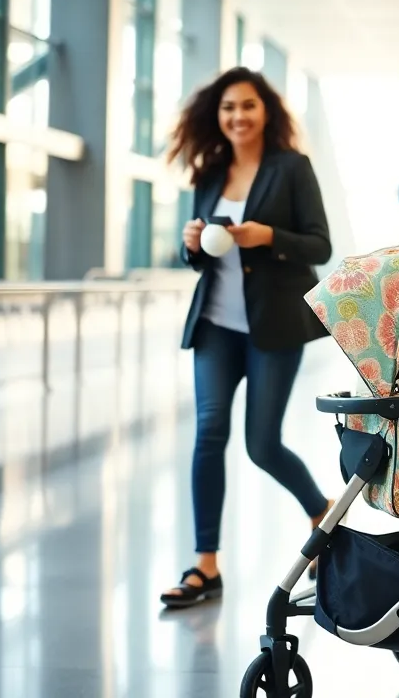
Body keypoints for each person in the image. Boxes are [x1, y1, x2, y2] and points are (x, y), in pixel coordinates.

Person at [159, 67, 334, 608]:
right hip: (215, 324)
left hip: (273, 327)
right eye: (229, 107)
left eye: (248, 106)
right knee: (209, 433)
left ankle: (322, 513)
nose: (238, 116)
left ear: (266, 112)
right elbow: (198, 257)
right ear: (218, 114)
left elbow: (319, 246)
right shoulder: (209, 173)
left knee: (261, 444)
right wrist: (192, 243)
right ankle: (204, 566)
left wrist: (269, 237)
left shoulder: (291, 169)